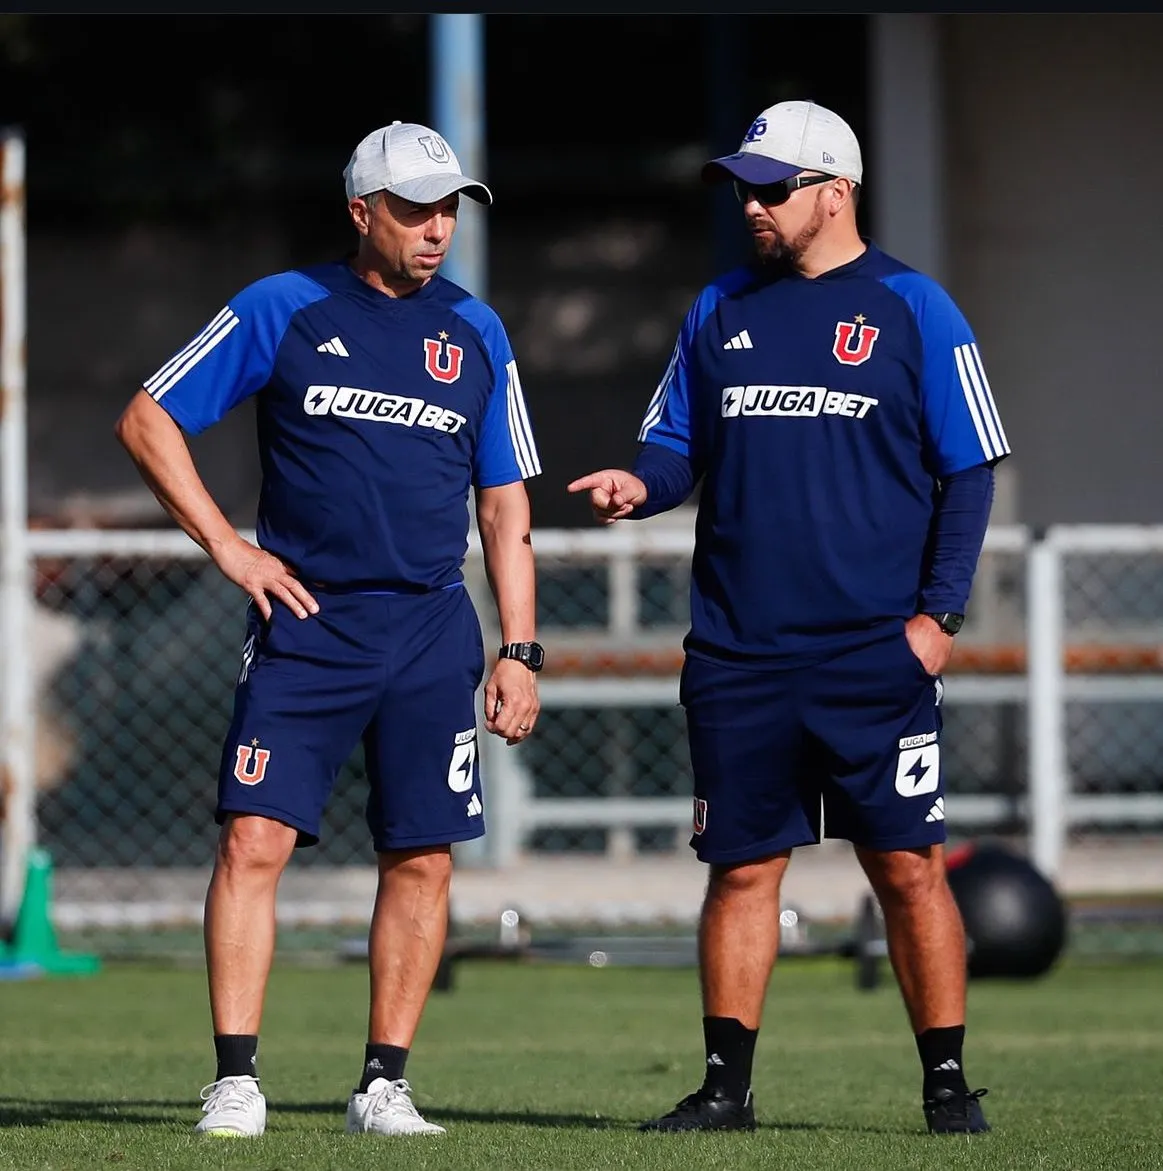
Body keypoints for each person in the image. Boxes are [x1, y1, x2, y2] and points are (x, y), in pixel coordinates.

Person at [568, 99, 1008, 1136]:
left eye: (772, 188)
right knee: (740, 868)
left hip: (873, 649)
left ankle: (945, 1085)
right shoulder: (720, 307)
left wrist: (936, 617)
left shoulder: (913, 308)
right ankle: (725, 1089)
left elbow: (973, 468)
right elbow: (676, 444)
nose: (751, 205)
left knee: (904, 866)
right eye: (743, 188)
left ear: (835, 192)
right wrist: (644, 485)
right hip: (738, 651)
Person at [115, 120, 546, 1139]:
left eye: (449, 208)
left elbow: (504, 507)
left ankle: (383, 1084)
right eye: (414, 209)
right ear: (362, 212)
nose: (437, 228)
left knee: (424, 856)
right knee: (253, 839)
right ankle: (235, 1079)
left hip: (431, 629)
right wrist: (229, 546)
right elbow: (148, 418)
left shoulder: (477, 332)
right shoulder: (285, 306)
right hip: (306, 623)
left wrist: (518, 648)